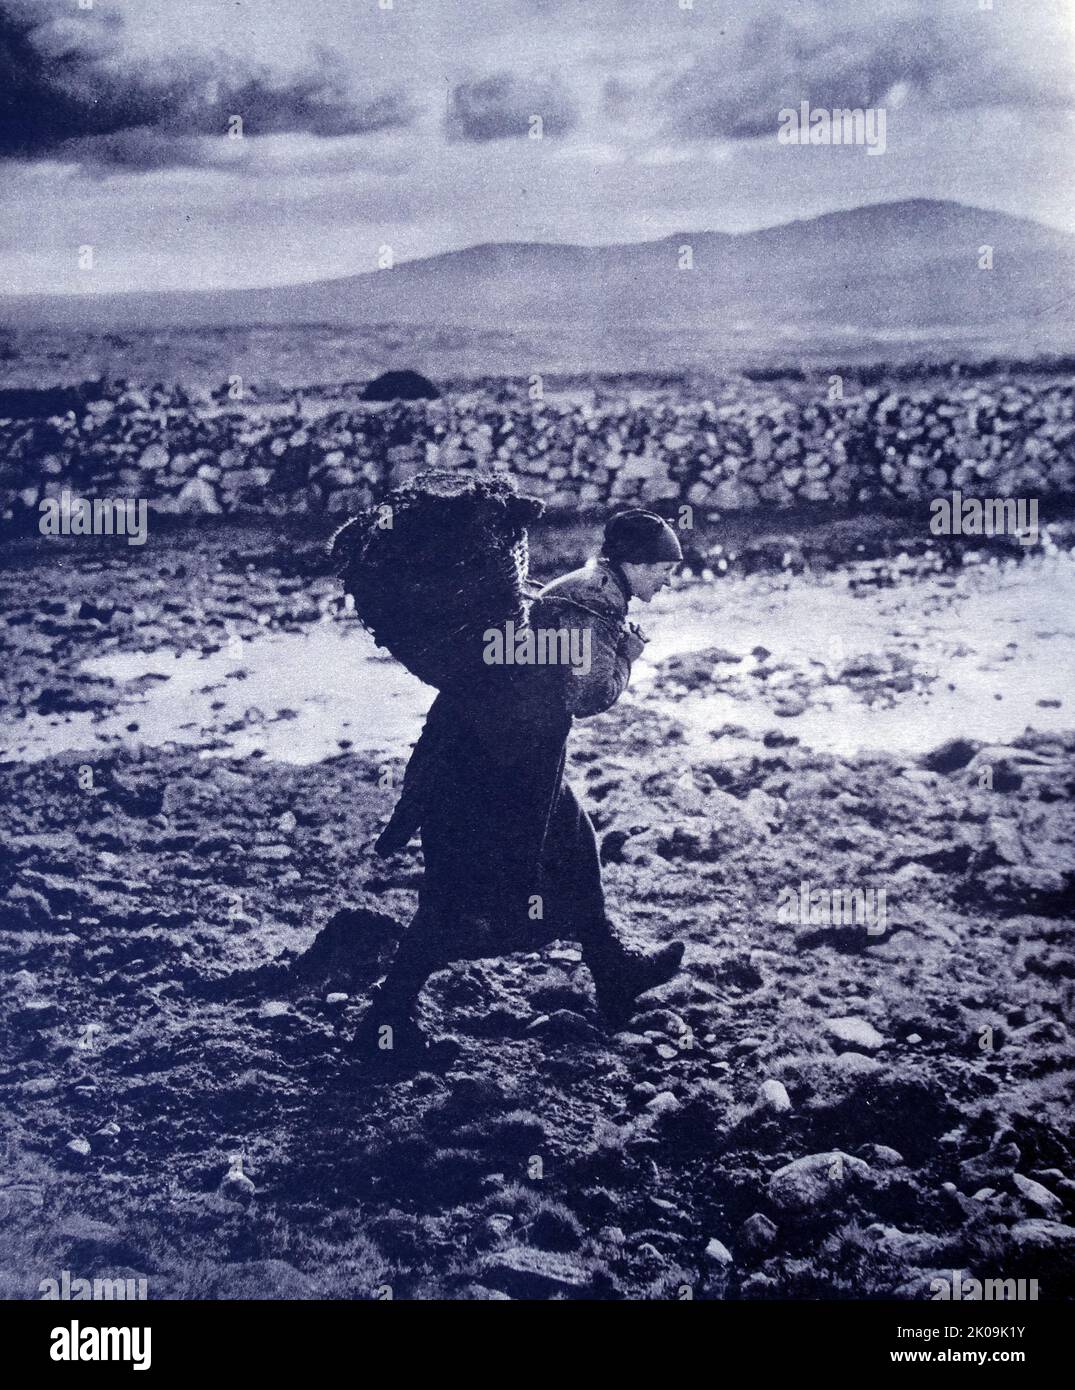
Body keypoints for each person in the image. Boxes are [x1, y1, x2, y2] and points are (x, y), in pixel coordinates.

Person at [353, 508, 686, 1070]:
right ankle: (385, 1021)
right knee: (453, 899)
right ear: (631, 564)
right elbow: (586, 695)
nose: (670, 580)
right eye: (664, 568)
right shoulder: (589, 605)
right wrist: (628, 659)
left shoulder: (586, 588)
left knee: (578, 851)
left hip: (508, 753)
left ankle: (614, 971)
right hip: (492, 764)